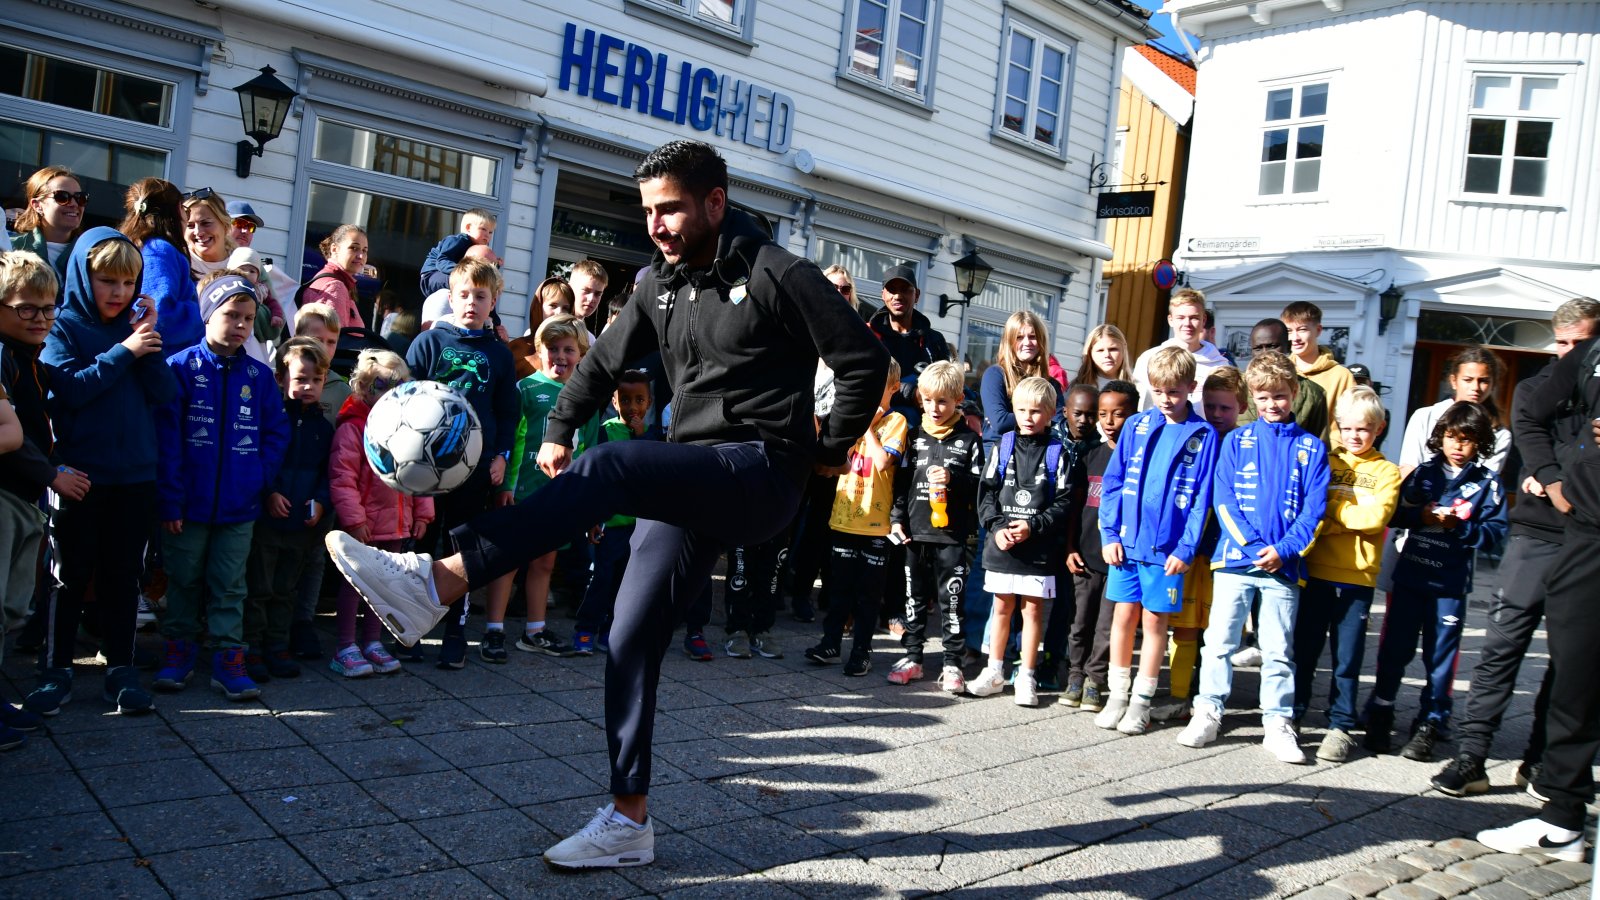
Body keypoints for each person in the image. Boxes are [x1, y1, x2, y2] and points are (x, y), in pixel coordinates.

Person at [326, 140, 887, 869]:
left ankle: (439, 580)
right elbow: (600, 361)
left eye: (671, 209)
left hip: (759, 471)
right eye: (648, 210)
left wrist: (827, 450)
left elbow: (862, 360)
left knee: (615, 462)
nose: (656, 224)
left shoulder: (778, 272)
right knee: (629, 636)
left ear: (715, 203)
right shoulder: (660, 284)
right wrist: (557, 428)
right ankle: (629, 821)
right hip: (689, 474)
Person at [1435, 298, 1600, 796]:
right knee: (1501, 648)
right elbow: (1531, 438)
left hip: (1588, 537)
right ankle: (1472, 757)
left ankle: (1540, 762)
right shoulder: (1536, 388)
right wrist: (1552, 477)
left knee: (1571, 660)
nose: (1571, 353)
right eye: (1564, 343)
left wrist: (1554, 471)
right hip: (1536, 534)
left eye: (1583, 343)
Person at [28, 229, 177, 717]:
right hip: (79, 477)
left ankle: (120, 669)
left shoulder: (136, 327)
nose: (119, 292)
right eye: (107, 280)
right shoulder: (62, 326)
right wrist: (126, 350)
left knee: (123, 577)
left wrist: (148, 337)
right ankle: (56, 670)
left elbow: (165, 393)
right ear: (81, 275)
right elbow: (70, 390)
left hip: (135, 476)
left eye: (129, 282)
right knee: (68, 577)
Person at [1476, 326, 1600, 862]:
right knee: (1575, 679)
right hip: (1589, 536)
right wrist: (1553, 477)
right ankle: (1563, 822)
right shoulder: (1592, 355)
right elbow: (1529, 409)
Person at [1177, 351, 1328, 763]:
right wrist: (1251, 546)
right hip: (1233, 560)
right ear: (1252, 398)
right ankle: (1208, 710)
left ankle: (1277, 722)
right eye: (1263, 397)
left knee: (1277, 650)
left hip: (1284, 567)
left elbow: (1314, 512)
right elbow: (1223, 500)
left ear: (1294, 393)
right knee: (1219, 642)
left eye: (1280, 395)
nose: (1271, 404)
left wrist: (1283, 550)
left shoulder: (1312, 448)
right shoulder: (1236, 441)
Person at [151, 274, 289, 701]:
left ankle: (229, 657)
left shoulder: (259, 377)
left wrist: (257, 478)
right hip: (186, 507)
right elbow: (166, 441)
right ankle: (178, 650)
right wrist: (170, 500)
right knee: (183, 580)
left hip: (239, 506)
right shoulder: (179, 368)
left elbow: (276, 433)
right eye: (231, 315)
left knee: (230, 584)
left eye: (248, 318)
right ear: (208, 315)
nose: (241, 325)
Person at [1364, 401, 1506, 761]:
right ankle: (1381, 710)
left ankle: (1431, 721)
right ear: (1440, 437)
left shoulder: (1487, 483)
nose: (1458, 445)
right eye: (1452, 437)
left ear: (1480, 443)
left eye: (1467, 440)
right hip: (1411, 578)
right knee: (1395, 648)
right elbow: (1394, 514)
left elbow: (1495, 534)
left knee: (1440, 657)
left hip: (1450, 586)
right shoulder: (1424, 474)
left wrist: (1462, 528)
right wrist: (1421, 517)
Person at [1097, 346, 1219, 735]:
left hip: (1166, 551)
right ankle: (1117, 696)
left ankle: (1141, 702)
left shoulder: (1203, 434)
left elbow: (1201, 499)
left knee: (1154, 622)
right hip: (1126, 545)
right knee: (1122, 617)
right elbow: (1113, 483)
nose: (1166, 399)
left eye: (1174, 392)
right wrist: (1109, 533)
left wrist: (1186, 548)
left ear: (1191, 388)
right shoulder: (1136, 425)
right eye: (1159, 390)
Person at [405, 255, 519, 669]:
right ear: (451, 298)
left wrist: (501, 456)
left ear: (493, 302)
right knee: (421, 543)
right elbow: (404, 399)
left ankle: (456, 629)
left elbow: (508, 413)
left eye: (481, 296)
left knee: (463, 547)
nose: (472, 302)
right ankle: (411, 625)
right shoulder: (429, 343)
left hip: (474, 469)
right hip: (424, 466)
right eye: (465, 295)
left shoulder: (499, 354)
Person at [1293, 386, 1400, 762]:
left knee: (1347, 658)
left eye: (1364, 429)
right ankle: (1294, 713)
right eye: (1348, 428)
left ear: (1379, 428)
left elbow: (1375, 519)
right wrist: (1345, 515)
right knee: (1304, 650)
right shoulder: (1325, 461)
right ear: (1337, 427)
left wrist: (1333, 513)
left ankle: (1340, 725)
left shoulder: (1387, 472)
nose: (1355, 436)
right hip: (1316, 572)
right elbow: (1311, 507)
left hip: (1357, 577)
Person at [496, 314, 597, 660]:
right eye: (552, 348)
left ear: (582, 354)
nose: (560, 356)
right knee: (507, 562)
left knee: (544, 564)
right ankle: (493, 630)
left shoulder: (587, 399)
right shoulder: (525, 388)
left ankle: (534, 631)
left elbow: (589, 452)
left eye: (569, 349)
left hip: (560, 496)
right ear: (539, 351)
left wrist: (589, 505)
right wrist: (505, 485)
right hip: (520, 491)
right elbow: (511, 439)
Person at [966, 375, 1071, 706]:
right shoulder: (1003, 445)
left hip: (1038, 548)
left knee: (1032, 611)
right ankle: (994, 671)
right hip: (1003, 544)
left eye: (1036, 411)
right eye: (1022, 409)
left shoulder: (1058, 452)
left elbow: (1064, 502)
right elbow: (987, 494)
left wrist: (1033, 526)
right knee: (1001, 608)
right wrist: (997, 527)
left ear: (1051, 413)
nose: (1028, 417)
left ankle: (1026, 676)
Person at [327, 350, 429, 677]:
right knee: (355, 585)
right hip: (365, 526)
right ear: (363, 387)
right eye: (381, 385)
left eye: (398, 386)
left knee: (385, 586)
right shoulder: (353, 428)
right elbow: (342, 477)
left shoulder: (407, 428)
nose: (389, 393)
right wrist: (354, 520)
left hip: (396, 523)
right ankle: (345, 646)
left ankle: (372, 641)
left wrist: (423, 513)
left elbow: (420, 470)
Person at [0, 252, 67, 741]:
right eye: (26, 308)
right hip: (5, 492)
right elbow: (15, 436)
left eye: (48, 308)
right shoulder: (3, 357)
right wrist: (49, 474)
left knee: (9, 608)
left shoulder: (32, 359)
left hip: (25, 498)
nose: (40, 318)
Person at [804, 358, 906, 676]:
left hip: (875, 525)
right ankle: (831, 643)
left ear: (893, 388)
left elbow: (882, 462)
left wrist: (868, 428)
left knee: (868, 594)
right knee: (839, 589)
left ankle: (862, 650)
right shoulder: (852, 419)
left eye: (879, 387)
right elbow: (836, 458)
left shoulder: (897, 421)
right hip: (844, 517)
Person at [1154, 367, 1245, 723]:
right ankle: (1179, 696)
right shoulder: (1198, 437)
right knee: (1186, 625)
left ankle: (1208, 698)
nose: (1217, 414)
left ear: (1241, 407)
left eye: (1226, 408)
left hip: (1229, 553)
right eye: (1211, 406)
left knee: (1218, 632)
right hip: (1193, 550)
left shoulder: (1244, 444)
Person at [242, 338, 336, 682]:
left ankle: (277, 645)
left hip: (301, 526)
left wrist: (321, 501)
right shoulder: (271, 420)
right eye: (300, 379)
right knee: (259, 588)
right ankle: (251, 646)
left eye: (316, 380)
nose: (308, 386)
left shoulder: (324, 429)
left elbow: (329, 473)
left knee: (286, 590)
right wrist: (269, 493)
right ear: (281, 379)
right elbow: (257, 461)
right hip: (268, 522)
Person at [887, 360, 982, 691]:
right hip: (915, 533)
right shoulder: (913, 437)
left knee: (950, 602)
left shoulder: (970, 440)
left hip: (952, 536)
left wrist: (953, 478)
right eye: (928, 400)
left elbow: (980, 486)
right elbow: (901, 484)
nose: (934, 408)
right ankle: (913, 657)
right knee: (913, 599)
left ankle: (952, 663)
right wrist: (896, 519)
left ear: (958, 399)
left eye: (942, 401)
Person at [1063, 380, 1137, 712]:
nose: (1108, 421)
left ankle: (1095, 680)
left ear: (1134, 415)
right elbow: (1074, 507)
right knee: (1080, 622)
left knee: (1107, 627)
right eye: (1103, 414)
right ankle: (1075, 676)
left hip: (1121, 560)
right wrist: (1070, 548)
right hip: (1086, 556)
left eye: (1118, 414)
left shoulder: (1139, 460)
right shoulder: (1089, 455)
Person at [572, 370, 654, 656]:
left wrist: (641, 437)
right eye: (625, 400)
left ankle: (611, 630)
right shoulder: (605, 431)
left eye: (639, 400)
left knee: (625, 583)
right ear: (614, 402)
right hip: (611, 523)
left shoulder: (651, 436)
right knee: (602, 578)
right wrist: (593, 517)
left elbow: (649, 471)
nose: (633, 407)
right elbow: (597, 477)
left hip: (638, 526)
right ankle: (585, 628)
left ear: (649, 403)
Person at [119, 178, 203, 352]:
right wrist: (205, 314)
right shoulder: (158, 250)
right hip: (166, 358)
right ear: (175, 211)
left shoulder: (142, 245)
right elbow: (161, 316)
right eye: (184, 209)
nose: (185, 217)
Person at [867, 264, 950, 416]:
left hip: (924, 424)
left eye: (905, 290)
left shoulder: (934, 340)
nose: (898, 296)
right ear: (883, 295)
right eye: (892, 290)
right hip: (878, 421)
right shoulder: (868, 336)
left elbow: (947, 385)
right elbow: (866, 383)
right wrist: (912, 393)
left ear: (917, 295)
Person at [1131, 288, 1229, 410]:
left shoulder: (1219, 365)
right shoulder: (1149, 359)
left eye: (1194, 318)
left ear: (1203, 320)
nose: (1187, 323)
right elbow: (1141, 404)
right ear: (1170, 320)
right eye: (1181, 318)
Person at [1238, 318, 1329, 442]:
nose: (1265, 353)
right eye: (1258, 348)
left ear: (1288, 346)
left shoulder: (1313, 393)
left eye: (1272, 346)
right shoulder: (1236, 387)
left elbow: (1320, 444)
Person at [1281, 301, 1356, 435]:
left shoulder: (1341, 376)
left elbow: (1349, 423)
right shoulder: (1279, 371)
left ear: (1318, 330)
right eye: (1289, 331)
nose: (1295, 338)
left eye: (1302, 330)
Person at [10, 166, 83, 282]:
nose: (74, 204)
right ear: (37, 205)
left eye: (80, 198)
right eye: (62, 197)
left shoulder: (93, 254)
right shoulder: (10, 248)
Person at [300, 224, 368, 330]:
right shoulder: (335, 287)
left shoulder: (328, 280)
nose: (361, 256)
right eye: (354, 248)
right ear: (334, 249)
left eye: (364, 250)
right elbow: (332, 337)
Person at [419, 208, 496, 296]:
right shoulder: (456, 241)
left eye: (490, 232)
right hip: (432, 276)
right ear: (468, 228)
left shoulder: (475, 248)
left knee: (478, 285)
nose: (487, 235)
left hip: (449, 275)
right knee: (466, 283)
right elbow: (441, 262)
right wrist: (464, 271)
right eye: (483, 229)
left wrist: (494, 264)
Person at [1075, 324, 1136, 390]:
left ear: (1123, 350)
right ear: (1090, 353)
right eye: (1100, 350)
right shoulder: (1077, 387)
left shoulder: (1138, 388)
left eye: (1113, 349)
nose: (1107, 355)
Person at [569, 259, 608, 342]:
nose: (591, 299)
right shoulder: (549, 327)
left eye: (598, 294)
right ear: (570, 288)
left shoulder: (590, 340)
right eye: (586, 291)